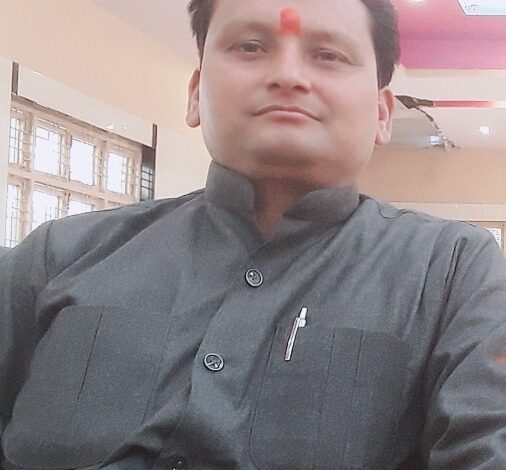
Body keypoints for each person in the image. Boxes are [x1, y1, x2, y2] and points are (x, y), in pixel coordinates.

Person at [1, 0, 506, 468]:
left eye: (328, 55)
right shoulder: (57, 256)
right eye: (250, 46)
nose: (287, 75)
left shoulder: (454, 274)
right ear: (195, 94)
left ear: (381, 113)